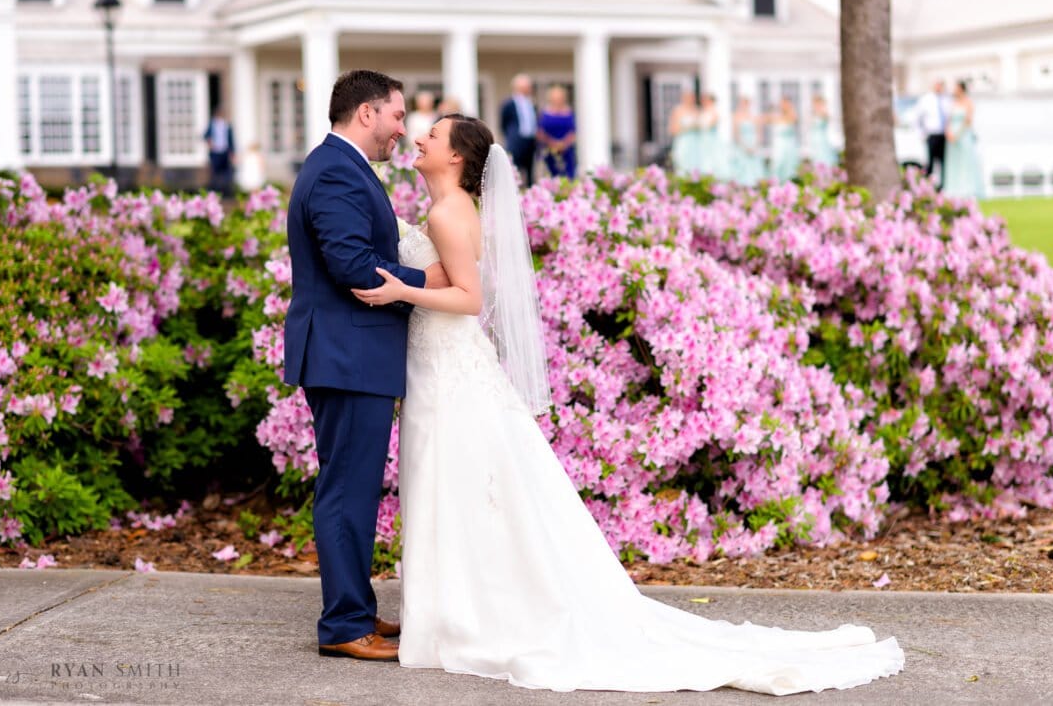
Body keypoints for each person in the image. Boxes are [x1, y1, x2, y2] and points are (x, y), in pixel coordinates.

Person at [351, 114, 905, 694]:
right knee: (461, 489)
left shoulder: (447, 213)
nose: (419, 139)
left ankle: (456, 618)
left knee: (453, 486)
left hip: (451, 370)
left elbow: (467, 299)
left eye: (433, 137)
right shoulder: (454, 212)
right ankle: (456, 613)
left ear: (458, 158)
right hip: (447, 366)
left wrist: (399, 290)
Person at [283, 69, 448, 662]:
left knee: (352, 488)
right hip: (346, 353)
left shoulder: (344, 168)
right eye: (398, 116)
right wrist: (427, 281)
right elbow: (353, 267)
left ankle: (354, 605)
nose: (404, 129)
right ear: (366, 114)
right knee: (346, 492)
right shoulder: (333, 171)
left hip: (352, 352)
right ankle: (344, 625)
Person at [941, 80, 985, 198]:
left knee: (966, 162)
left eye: (956, 88)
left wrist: (957, 135)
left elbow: (968, 121)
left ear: (961, 88)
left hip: (963, 135)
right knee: (954, 162)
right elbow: (948, 119)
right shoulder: (953, 103)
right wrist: (948, 132)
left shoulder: (968, 103)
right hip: (951, 137)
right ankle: (954, 188)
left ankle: (967, 188)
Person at [500, 73, 538, 186]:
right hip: (516, 142)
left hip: (530, 141)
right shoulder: (509, 104)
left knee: (530, 170)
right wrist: (512, 137)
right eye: (527, 86)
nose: (529, 89)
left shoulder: (531, 103)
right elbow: (503, 123)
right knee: (515, 170)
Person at [911, 80, 949, 187]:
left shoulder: (946, 100)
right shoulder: (926, 100)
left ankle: (942, 186)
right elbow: (917, 118)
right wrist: (922, 134)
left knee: (944, 162)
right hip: (931, 135)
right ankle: (928, 186)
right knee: (930, 163)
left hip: (944, 136)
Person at [536, 85, 577, 179]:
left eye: (560, 98)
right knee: (551, 175)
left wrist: (563, 144)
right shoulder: (545, 113)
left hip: (567, 151)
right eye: (555, 98)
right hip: (549, 150)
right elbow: (540, 132)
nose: (558, 100)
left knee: (568, 175)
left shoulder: (569, 112)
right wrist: (553, 143)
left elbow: (573, 131)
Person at [731, 96, 765, 185]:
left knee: (754, 167)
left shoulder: (754, 117)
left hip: (753, 144)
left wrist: (755, 146)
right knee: (743, 167)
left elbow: (759, 133)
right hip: (742, 145)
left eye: (746, 104)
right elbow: (736, 135)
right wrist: (744, 147)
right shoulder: (737, 117)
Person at [696, 92, 730, 180]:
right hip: (703, 138)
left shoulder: (714, 111)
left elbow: (712, 123)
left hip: (710, 139)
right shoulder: (703, 111)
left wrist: (702, 126)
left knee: (713, 159)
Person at [669, 89, 703, 175]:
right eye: (688, 97)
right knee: (683, 167)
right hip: (684, 142)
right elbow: (672, 130)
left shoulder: (697, 109)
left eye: (692, 97)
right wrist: (688, 128)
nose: (691, 99)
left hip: (696, 143)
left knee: (698, 166)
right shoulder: (678, 110)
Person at [204, 106, 235, 196]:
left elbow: (231, 140)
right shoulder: (212, 125)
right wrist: (210, 142)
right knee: (215, 172)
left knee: (225, 172)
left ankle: (225, 190)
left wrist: (232, 152)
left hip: (224, 151)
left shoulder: (227, 125)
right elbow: (205, 135)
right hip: (215, 151)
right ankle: (214, 190)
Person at [768, 97, 800, 182]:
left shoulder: (792, 114)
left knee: (789, 165)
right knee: (778, 163)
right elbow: (766, 119)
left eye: (785, 103)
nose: (783, 106)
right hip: (780, 145)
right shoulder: (777, 116)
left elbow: (794, 119)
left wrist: (789, 108)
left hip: (789, 145)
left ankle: (789, 182)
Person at [808, 94, 837, 168]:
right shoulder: (813, 114)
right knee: (816, 156)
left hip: (822, 139)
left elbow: (828, 118)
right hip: (814, 138)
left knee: (824, 155)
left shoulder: (824, 113)